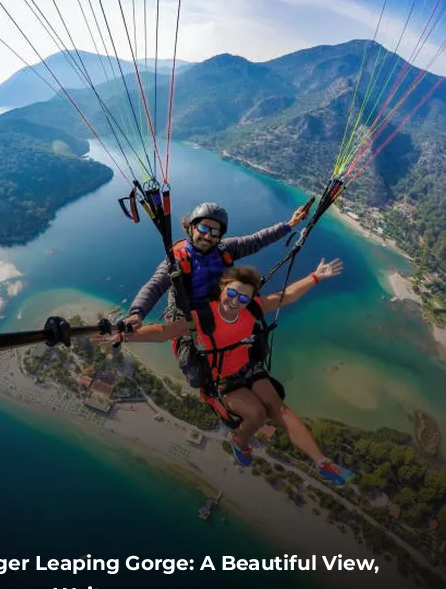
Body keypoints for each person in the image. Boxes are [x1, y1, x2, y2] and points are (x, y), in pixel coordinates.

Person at [97, 259, 354, 487]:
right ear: (222, 289)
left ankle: (322, 463)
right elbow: (163, 332)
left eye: (243, 298)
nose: (235, 301)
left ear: (250, 299)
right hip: (221, 379)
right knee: (257, 414)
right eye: (232, 293)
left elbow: (286, 297)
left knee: (279, 409)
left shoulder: (252, 309)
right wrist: (125, 335)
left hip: (247, 367)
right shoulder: (203, 317)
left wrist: (316, 276)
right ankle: (239, 441)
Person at [122, 201, 310, 386]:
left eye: (214, 232)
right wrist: (137, 313)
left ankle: (241, 368)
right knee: (196, 375)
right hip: (191, 319)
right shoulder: (176, 260)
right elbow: (155, 286)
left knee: (258, 346)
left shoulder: (225, 249)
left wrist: (289, 225)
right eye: (203, 228)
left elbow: (257, 240)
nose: (207, 236)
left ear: (220, 236)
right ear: (192, 227)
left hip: (221, 310)